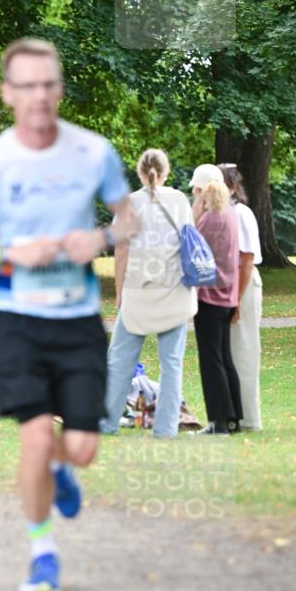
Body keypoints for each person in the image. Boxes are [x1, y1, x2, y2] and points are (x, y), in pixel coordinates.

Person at [0, 37, 137, 591]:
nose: (39, 95)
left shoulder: (93, 151)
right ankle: (42, 553)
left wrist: (99, 237)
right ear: (7, 93)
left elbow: (130, 220)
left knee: (82, 447)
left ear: (60, 88)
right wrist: (11, 253)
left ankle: (61, 468)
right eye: (26, 86)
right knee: (33, 437)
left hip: (78, 319)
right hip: (17, 318)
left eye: (48, 84)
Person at [101, 149, 197, 438]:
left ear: (140, 173)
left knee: (119, 360)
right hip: (174, 290)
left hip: (138, 291)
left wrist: (119, 292)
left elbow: (121, 250)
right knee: (172, 363)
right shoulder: (179, 201)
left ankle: (107, 422)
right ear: (165, 172)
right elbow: (189, 243)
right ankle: (166, 428)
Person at [190, 167, 242, 435]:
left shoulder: (210, 219)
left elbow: (192, 247)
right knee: (224, 357)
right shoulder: (230, 214)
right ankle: (233, 418)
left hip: (209, 297)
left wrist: (195, 211)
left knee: (211, 360)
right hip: (227, 296)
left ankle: (218, 421)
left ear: (201, 191)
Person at [218, 163, 263, 431]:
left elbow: (246, 260)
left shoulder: (242, 214)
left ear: (232, 187)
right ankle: (232, 414)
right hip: (226, 286)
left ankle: (249, 419)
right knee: (228, 353)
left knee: (244, 350)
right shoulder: (218, 214)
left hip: (242, 286)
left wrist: (236, 299)